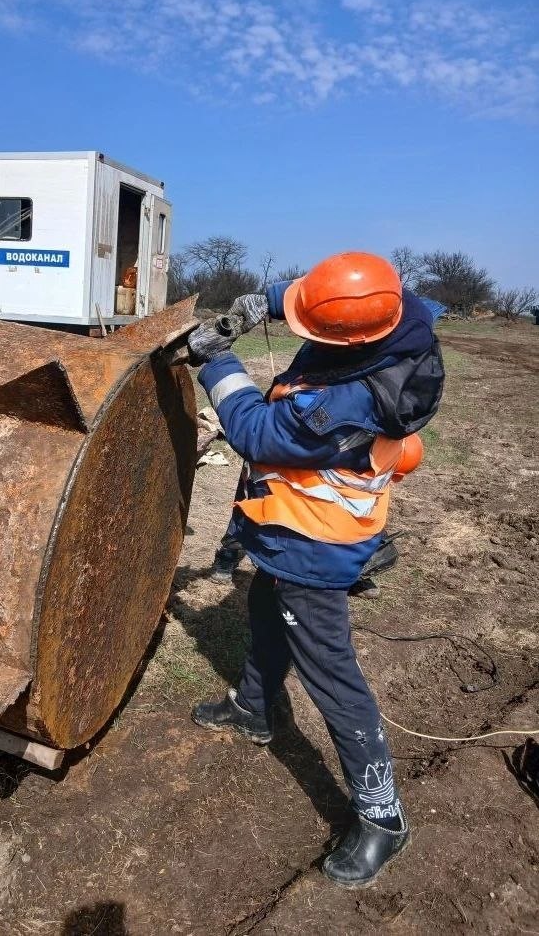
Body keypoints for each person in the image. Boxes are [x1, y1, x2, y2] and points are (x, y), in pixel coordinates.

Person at [186, 252, 444, 886]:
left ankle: (383, 816)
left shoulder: (347, 405)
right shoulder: (396, 312)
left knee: (331, 673)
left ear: (352, 340)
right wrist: (259, 303)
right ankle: (254, 707)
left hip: (317, 543)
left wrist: (216, 363)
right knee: (263, 607)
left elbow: (255, 430)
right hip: (289, 535)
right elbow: (332, 299)